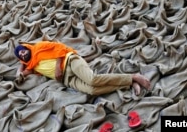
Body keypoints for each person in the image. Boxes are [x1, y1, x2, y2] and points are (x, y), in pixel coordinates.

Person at [14, 41, 151, 96]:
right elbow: (20, 75)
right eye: (20, 55)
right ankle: (128, 83)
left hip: (70, 62)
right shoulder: (32, 66)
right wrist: (22, 63)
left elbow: (60, 47)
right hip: (67, 79)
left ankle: (134, 76)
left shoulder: (39, 47)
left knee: (92, 80)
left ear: (27, 47)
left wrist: (57, 67)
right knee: (92, 91)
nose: (23, 54)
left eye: (23, 50)